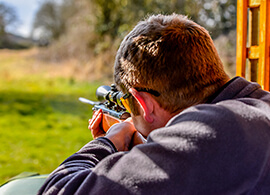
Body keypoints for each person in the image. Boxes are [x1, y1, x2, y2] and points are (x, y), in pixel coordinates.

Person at [38, 14, 270, 194]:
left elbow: (56, 190)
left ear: (144, 103)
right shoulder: (257, 106)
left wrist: (108, 141)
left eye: (133, 112)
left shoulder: (207, 135)